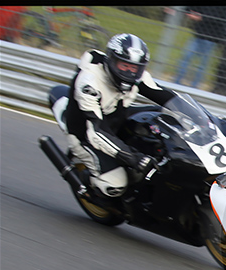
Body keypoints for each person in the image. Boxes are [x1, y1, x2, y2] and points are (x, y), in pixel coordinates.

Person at [65, 33, 176, 198]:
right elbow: (96, 132)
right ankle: (88, 180)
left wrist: (207, 120)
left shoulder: (138, 76)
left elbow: (166, 97)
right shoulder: (89, 83)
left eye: (135, 68)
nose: (130, 72)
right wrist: (133, 157)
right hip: (86, 133)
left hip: (116, 117)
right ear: (110, 60)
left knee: (163, 116)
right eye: (124, 65)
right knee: (115, 186)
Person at [173, 6, 226, 89]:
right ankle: (177, 82)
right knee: (186, 56)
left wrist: (201, 17)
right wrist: (188, 12)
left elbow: (221, 17)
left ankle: (194, 86)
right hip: (198, 34)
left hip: (212, 38)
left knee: (202, 64)